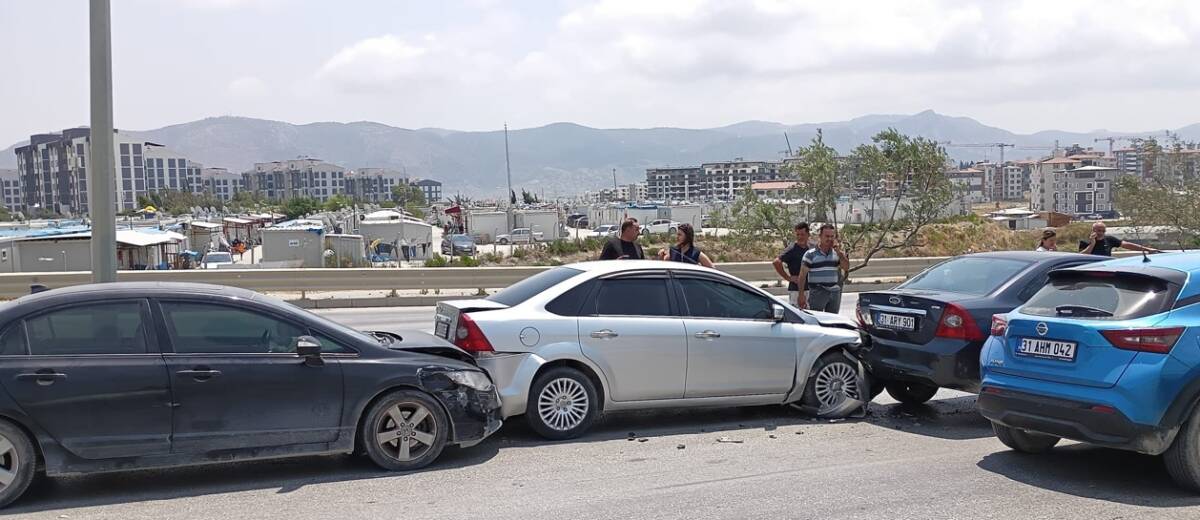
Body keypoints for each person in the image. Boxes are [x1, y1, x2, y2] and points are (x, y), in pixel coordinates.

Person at [798, 224, 850, 313]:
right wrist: (801, 295)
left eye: (831, 236)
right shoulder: (810, 254)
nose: (829, 239)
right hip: (818, 292)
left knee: (833, 320)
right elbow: (802, 276)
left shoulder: (836, 254)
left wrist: (839, 253)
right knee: (816, 319)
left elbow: (846, 267)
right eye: (827, 236)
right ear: (820, 237)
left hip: (834, 292)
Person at [773, 222, 811, 307]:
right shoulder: (792, 249)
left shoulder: (811, 248)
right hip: (796, 290)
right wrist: (788, 278)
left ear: (808, 234)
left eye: (802, 234)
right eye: (798, 234)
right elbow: (776, 262)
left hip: (811, 288)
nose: (800, 237)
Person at [1079, 222, 1159, 257]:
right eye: (1099, 230)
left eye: (1103, 231)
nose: (1101, 233)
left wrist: (1147, 249)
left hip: (1105, 266)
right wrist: (1092, 244)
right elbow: (1081, 256)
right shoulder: (1085, 241)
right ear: (1093, 230)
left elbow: (1127, 245)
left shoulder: (1109, 239)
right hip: (1091, 267)